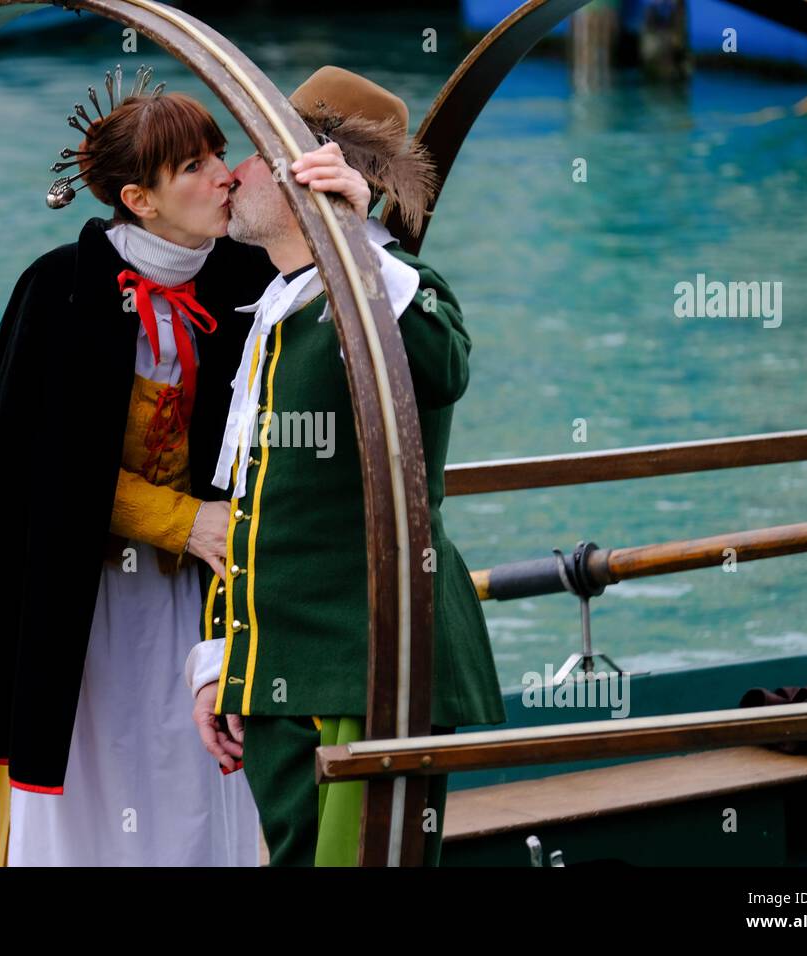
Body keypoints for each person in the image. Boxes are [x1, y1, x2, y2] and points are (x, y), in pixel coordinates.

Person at [0, 65, 372, 866]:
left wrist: (350, 206)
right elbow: (38, 470)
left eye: (217, 152)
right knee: (106, 773)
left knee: (207, 776)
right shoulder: (58, 291)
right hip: (83, 598)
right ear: (141, 200)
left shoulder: (244, 274)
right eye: (194, 167)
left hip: (205, 599)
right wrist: (183, 521)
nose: (224, 175)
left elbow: (362, 314)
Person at [185, 66, 506, 866]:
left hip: (370, 666)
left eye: (255, 154)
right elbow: (260, 511)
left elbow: (441, 365)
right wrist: (225, 662)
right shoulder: (279, 307)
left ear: (313, 172)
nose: (232, 174)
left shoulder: (398, 287)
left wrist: (355, 236)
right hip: (281, 671)